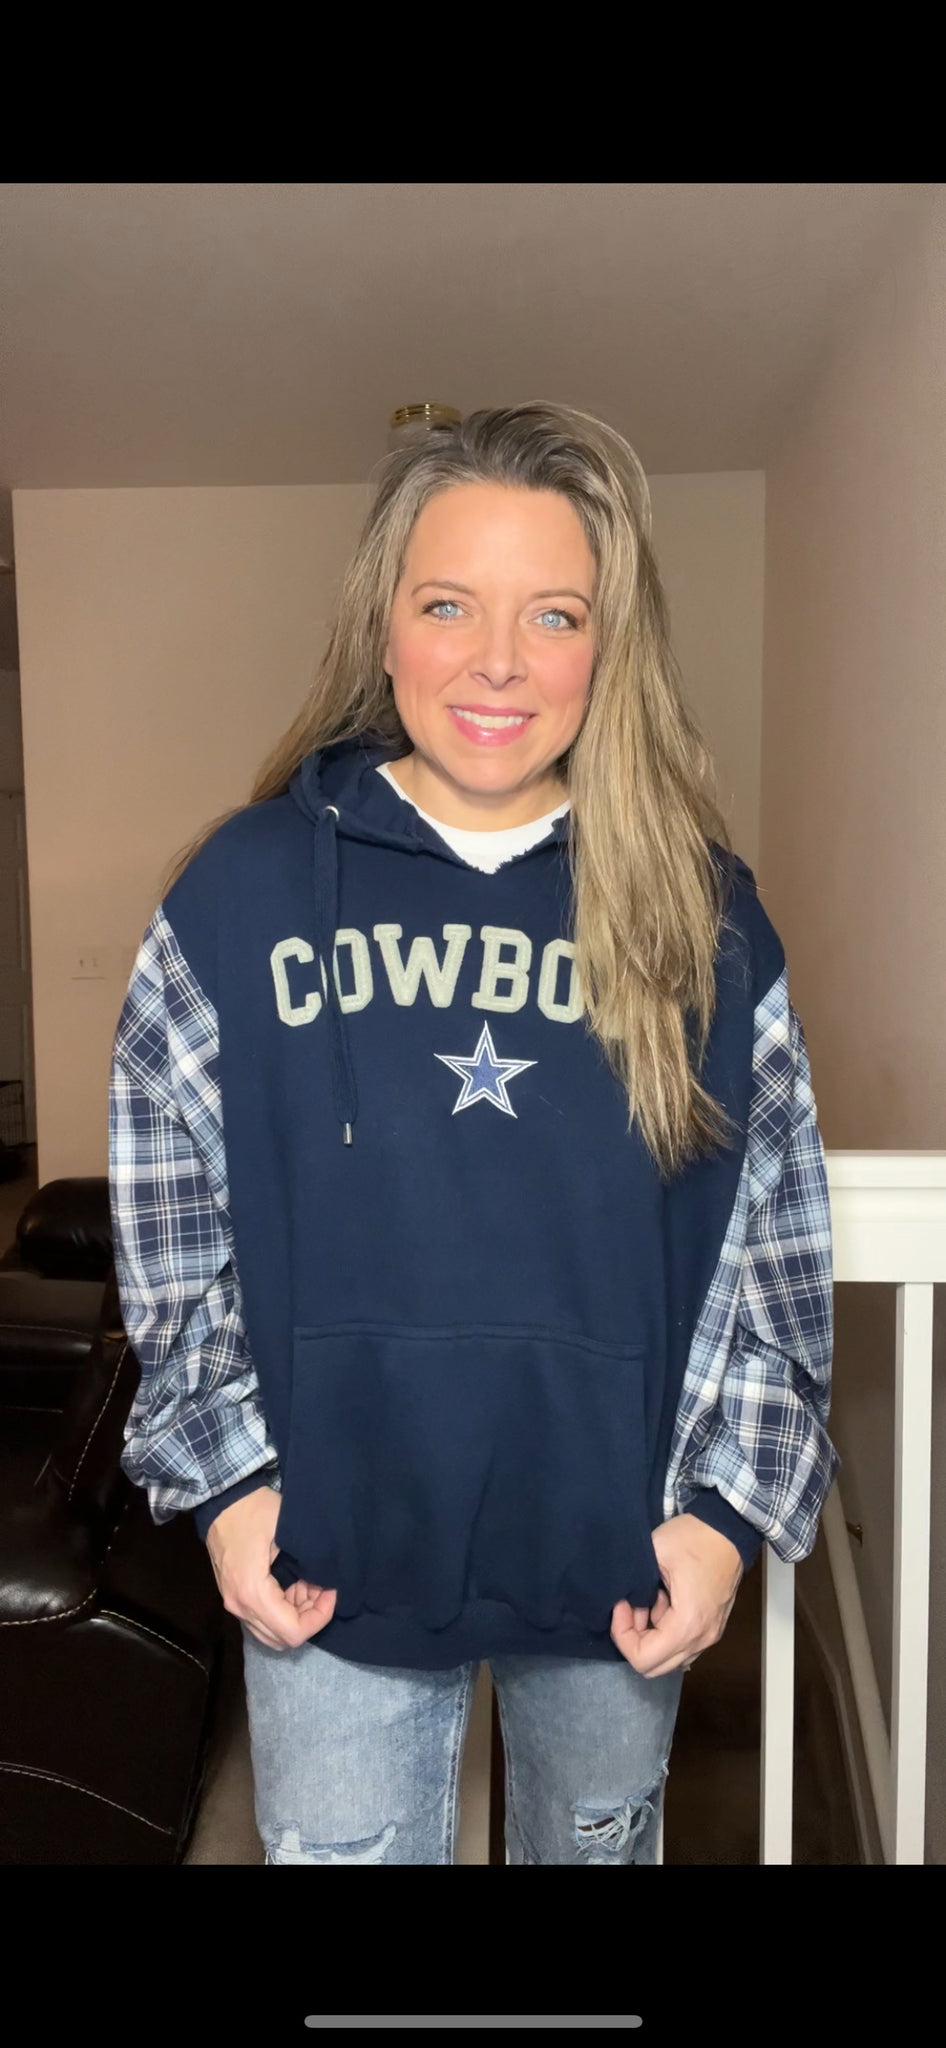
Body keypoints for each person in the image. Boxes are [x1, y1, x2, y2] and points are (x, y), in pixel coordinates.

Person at [107, 402, 838, 1867]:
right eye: (449, 604)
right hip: (326, 1562)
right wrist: (228, 1487)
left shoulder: (700, 914)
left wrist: (723, 1514)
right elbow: (167, 1210)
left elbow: (775, 1236)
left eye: (553, 615)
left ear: (607, 649)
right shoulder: (241, 893)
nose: (497, 659)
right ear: (382, 628)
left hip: (619, 1564)